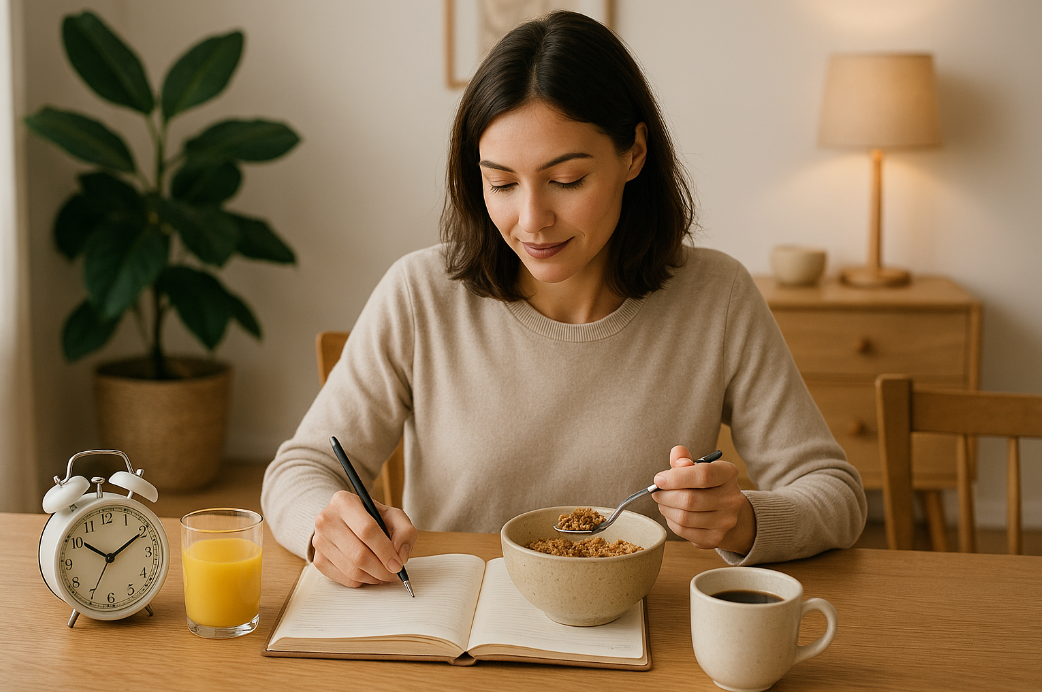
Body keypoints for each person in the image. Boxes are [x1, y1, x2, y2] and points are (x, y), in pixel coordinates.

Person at [261, 11, 866, 588]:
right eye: (501, 183)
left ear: (634, 153)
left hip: (641, 630)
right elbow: (301, 469)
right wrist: (327, 530)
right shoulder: (420, 294)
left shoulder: (718, 297)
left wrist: (743, 520)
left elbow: (834, 492)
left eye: (567, 180)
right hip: (459, 631)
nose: (532, 220)